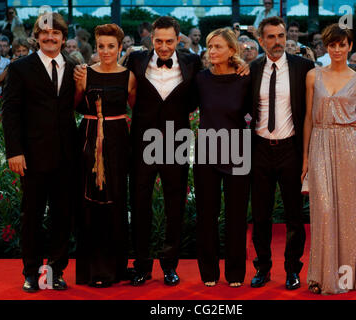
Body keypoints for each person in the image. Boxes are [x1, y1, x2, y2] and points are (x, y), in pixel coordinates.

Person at [1, 12, 78, 293]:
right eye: (44, 33)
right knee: (31, 216)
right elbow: (10, 113)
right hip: (31, 157)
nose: (49, 37)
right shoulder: (21, 68)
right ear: (37, 35)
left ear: (63, 37)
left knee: (62, 216)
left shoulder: (72, 68)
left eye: (55, 33)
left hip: (66, 157)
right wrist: (14, 152)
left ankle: (56, 271)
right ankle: (31, 273)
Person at [126, 16, 202, 287]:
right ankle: (142, 266)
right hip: (142, 142)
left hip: (177, 141)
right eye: (158, 41)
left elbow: (205, 90)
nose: (164, 46)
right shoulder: (135, 61)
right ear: (151, 39)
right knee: (140, 203)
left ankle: (170, 265)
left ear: (178, 40)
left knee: (175, 206)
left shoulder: (193, 63)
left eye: (169, 41)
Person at [302, 23, 356, 295]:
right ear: (326, 47)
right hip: (319, 142)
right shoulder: (313, 76)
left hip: (349, 147)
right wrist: (305, 157)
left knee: (347, 213)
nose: (337, 50)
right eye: (332, 45)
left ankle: (346, 278)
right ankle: (320, 276)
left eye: (342, 45)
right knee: (324, 211)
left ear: (350, 46)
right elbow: (308, 118)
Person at [249, 16, 314, 290]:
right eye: (271, 37)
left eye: (281, 35)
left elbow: (313, 111)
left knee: (294, 216)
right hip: (260, 149)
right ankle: (263, 268)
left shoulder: (304, 68)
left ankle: (292, 270)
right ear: (261, 40)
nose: (277, 42)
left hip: (291, 149)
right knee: (261, 215)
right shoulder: (251, 70)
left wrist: (309, 156)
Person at [73, 23, 137, 288]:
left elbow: (137, 110)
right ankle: (91, 269)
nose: (106, 51)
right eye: (101, 46)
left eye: (112, 46)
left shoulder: (129, 77)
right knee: (90, 201)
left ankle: (116, 267)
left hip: (118, 142)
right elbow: (74, 106)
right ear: (96, 47)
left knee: (116, 201)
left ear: (120, 47)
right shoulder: (83, 74)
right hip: (88, 140)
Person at [193, 28, 252, 288]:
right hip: (206, 153)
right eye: (209, 47)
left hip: (237, 153)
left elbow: (253, 115)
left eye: (218, 47)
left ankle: (235, 273)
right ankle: (208, 271)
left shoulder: (244, 79)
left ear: (232, 51)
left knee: (236, 216)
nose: (212, 52)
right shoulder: (201, 79)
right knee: (206, 215)